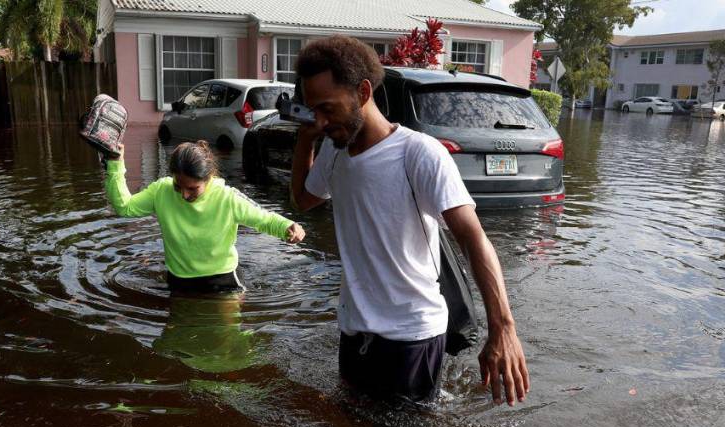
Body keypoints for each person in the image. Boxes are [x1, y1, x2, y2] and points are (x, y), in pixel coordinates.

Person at [289, 36, 530, 405]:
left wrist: (503, 328)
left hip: (411, 335)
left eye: (327, 108)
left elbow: (473, 237)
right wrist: (305, 141)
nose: (320, 120)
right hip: (355, 329)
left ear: (363, 92)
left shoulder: (418, 154)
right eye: (313, 110)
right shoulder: (334, 151)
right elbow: (304, 200)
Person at [104, 141, 306, 293]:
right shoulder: (161, 191)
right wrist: (115, 164)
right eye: (178, 185)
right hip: (178, 279)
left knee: (227, 338)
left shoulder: (227, 197)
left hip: (222, 280)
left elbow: (264, 218)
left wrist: (288, 226)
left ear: (208, 178)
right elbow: (125, 207)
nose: (184, 194)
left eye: (192, 188)